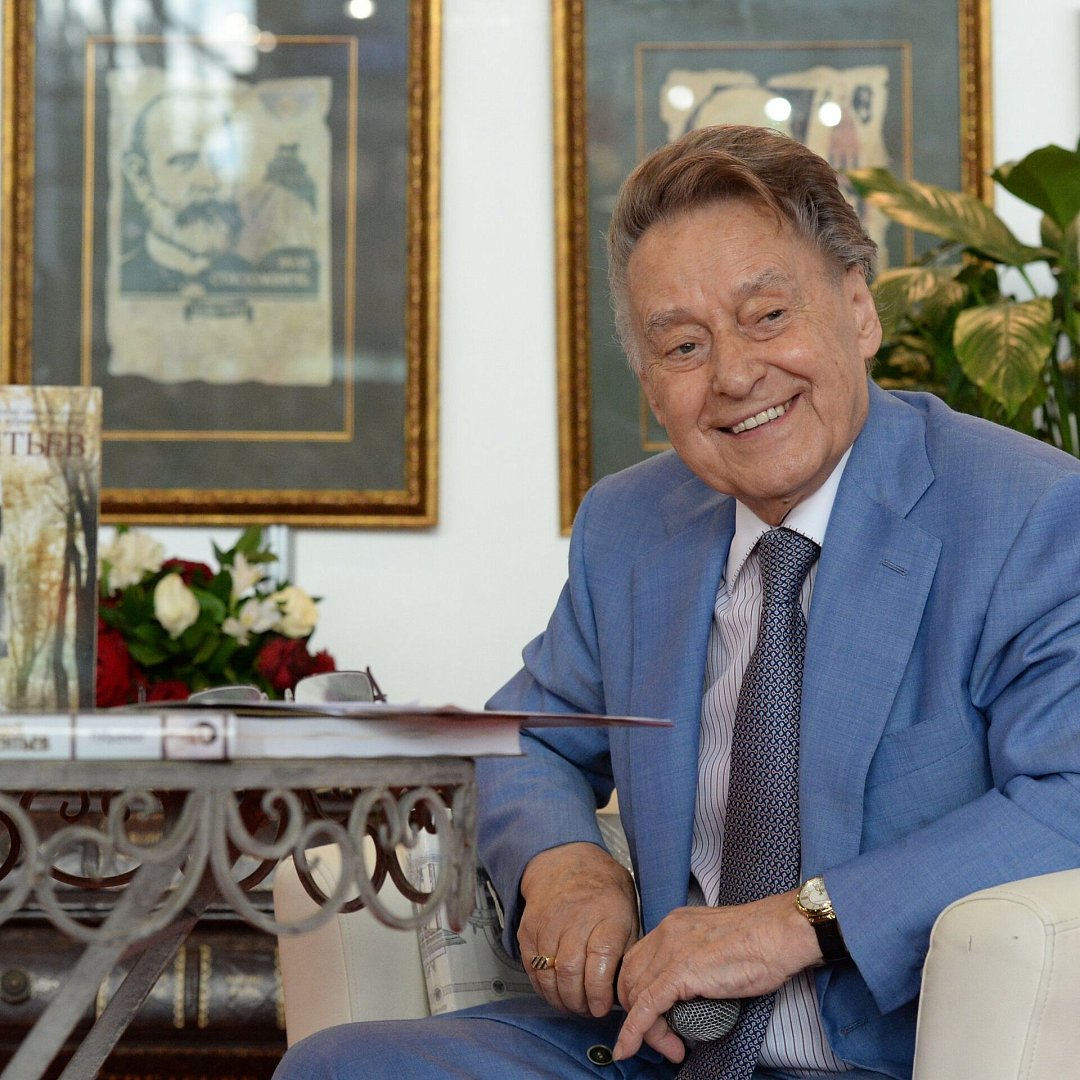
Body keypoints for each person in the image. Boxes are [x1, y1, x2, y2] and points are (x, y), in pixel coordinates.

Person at [273, 125, 1080, 1079]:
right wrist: (563, 866)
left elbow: (1067, 798)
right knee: (340, 1067)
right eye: (684, 345)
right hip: (649, 1050)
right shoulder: (630, 526)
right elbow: (522, 737)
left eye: (767, 316)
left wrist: (785, 926)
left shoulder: (1026, 512)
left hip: (883, 1058)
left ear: (859, 311)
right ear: (652, 386)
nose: (734, 375)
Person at [119, 91, 251, 293]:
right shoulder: (117, 279)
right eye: (184, 161)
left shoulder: (260, 279)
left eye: (221, 159)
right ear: (140, 175)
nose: (210, 182)